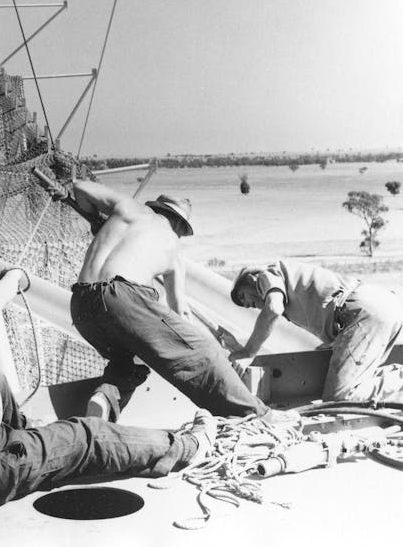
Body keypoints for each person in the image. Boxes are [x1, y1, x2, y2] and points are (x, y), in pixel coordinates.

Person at [0, 271, 216, 508]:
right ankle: (187, 446)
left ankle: (25, 433)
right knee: (87, 436)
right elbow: (8, 286)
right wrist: (17, 275)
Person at [66, 179, 278, 422]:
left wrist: (96, 224)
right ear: (179, 224)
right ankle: (256, 414)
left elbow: (79, 187)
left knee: (129, 364)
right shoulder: (173, 248)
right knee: (202, 352)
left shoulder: (127, 207)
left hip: (81, 305)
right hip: (122, 299)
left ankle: (104, 399)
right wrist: (213, 346)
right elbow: (181, 316)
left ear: (157, 208)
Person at [230, 260, 403, 402]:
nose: (246, 305)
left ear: (251, 279)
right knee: (361, 377)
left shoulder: (265, 276)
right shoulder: (285, 278)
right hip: (381, 305)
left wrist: (248, 352)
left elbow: (273, 309)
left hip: (363, 312)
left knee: (339, 397)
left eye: (242, 296)